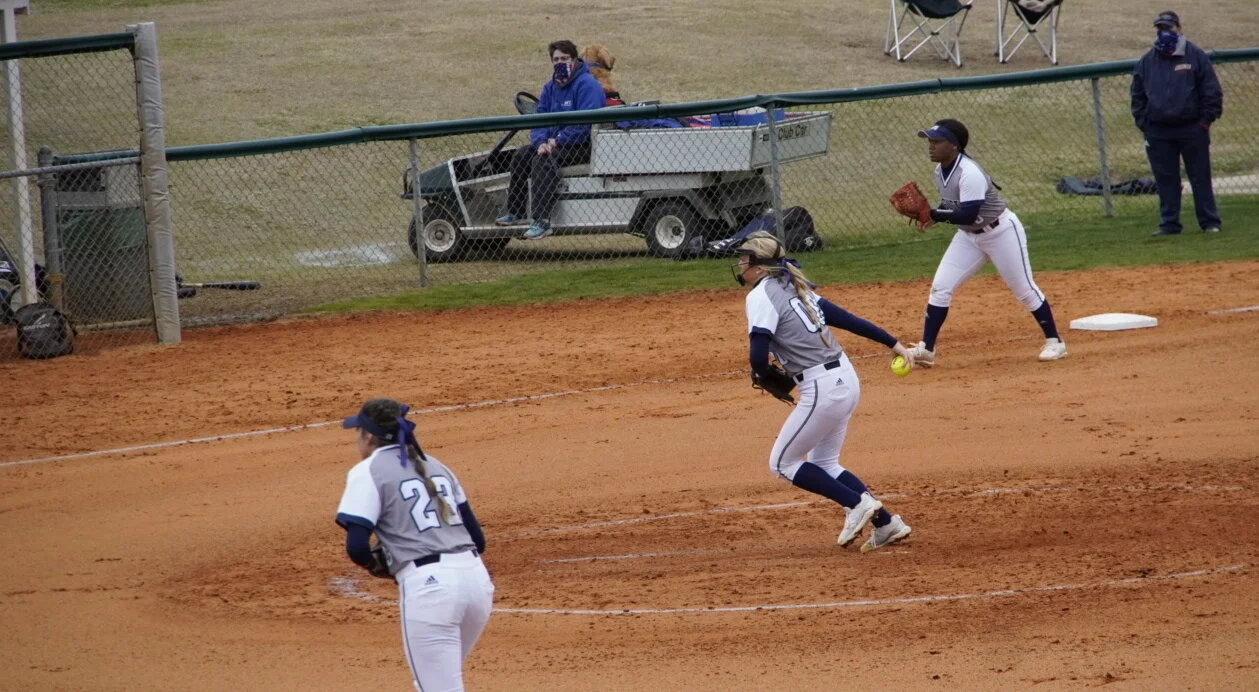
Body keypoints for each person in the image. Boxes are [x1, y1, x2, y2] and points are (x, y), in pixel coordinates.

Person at [733, 231, 914, 553]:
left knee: (782, 463)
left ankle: (857, 504)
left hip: (822, 388)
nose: (740, 264)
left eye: (744, 259)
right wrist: (893, 343)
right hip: (846, 379)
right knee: (825, 463)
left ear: (760, 266)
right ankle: (886, 524)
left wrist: (768, 375)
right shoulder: (794, 286)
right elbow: (848, 320)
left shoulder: (760, 295)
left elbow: (757, 356)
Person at [335, 398, 493, 691]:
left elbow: (356, 546)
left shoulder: (368, 470)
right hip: (476, 583)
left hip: (431, 591)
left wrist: (376, 565)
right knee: (434, 683)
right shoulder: (436, 465)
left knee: (437, 686)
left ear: (368, 435)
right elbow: (478, 540)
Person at [906, 119, 1067, 367]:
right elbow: (953, 208)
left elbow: (969, 214)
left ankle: (1055, 342)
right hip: (968, 237)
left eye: (936, 141)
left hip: (1001, 233)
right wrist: (933, 217)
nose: (931, 146)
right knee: (940, 287)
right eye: (929, 141)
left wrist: (935, 214)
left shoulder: (969, 173)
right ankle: (927, 350)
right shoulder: (939, 172)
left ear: (953, 145)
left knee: (1024, 289)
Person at [495, 39, 605, 240]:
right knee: (522, 155)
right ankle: (516, 211)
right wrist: (540, 142)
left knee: (543, 161)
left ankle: (542, 220)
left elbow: (585, 124)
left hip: (582, 145)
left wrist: (557, 141)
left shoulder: (588, 85)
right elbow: (540, 120)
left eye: (565, 58)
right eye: (556, 59)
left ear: (574, 60)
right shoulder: (549, 88)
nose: (560, 63)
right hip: (554, 144)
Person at [1130, 10, 1224, 236]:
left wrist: (1204, 122)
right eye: (1161, 29)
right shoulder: (1147, 62)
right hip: (1158, 131)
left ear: (1179, 28)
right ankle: (1169, 223)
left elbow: (1211, 91)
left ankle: (1209, 221)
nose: (1164, 33)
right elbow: (1137, 96)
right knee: (1166, 180)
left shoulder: (1195, 56)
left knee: (1200, 177)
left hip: (1192, 128)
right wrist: (1146, 124)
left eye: (1168, 28)